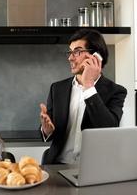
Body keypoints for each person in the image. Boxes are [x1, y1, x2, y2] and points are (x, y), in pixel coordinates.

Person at [40, 28, 127, 164]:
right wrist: (46, 131)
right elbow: (49, 130)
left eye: (77, 51)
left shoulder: (116, 91)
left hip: (94, 168)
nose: (70, 57)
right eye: (70, 51)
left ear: (96, 57)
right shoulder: (57, 89)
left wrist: (88, 85)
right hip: (57, 166)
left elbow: (109, 130)